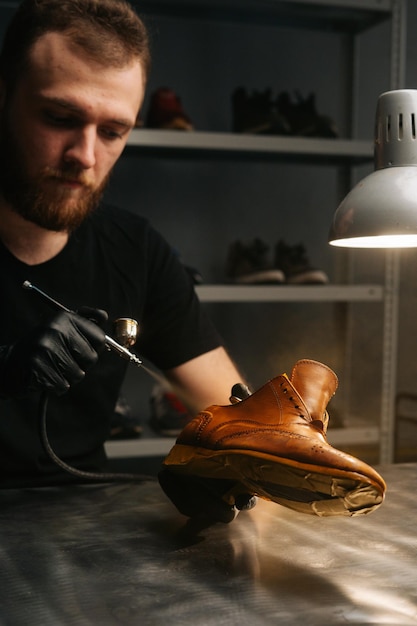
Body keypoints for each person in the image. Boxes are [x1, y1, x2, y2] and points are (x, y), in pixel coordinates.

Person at [0, 0, 385, 523]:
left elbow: (230, 416)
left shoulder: (133, 248)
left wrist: (232, 467)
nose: (84, 155)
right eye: (60, 118)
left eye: (113, 131)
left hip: (80, 525)